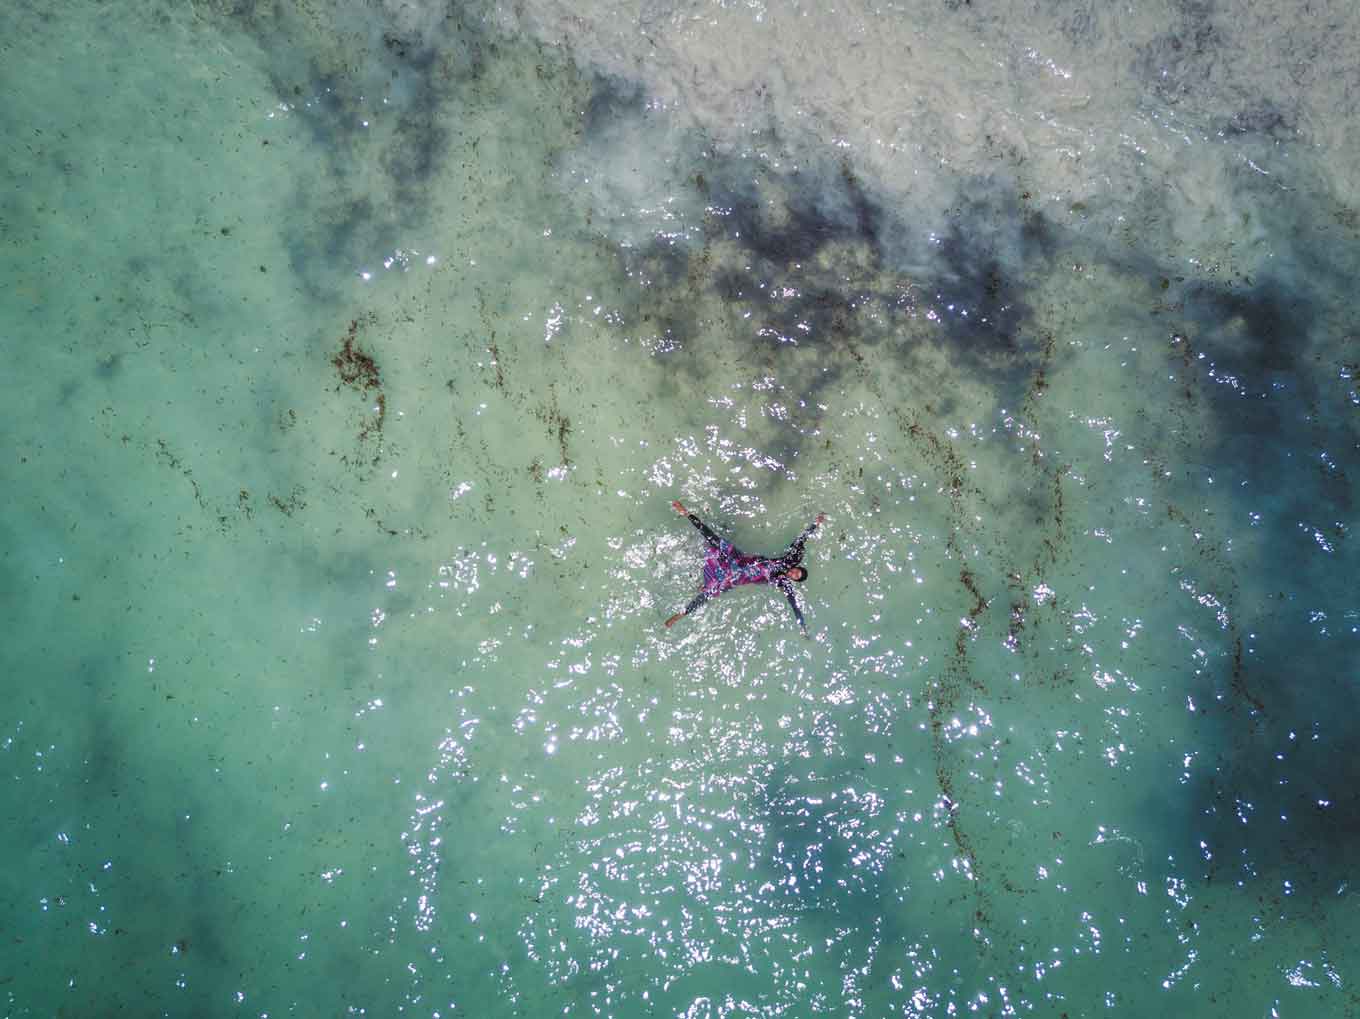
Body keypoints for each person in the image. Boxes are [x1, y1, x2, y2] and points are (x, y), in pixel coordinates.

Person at [664, 500, 826, 635]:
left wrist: (802, 625)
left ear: (793, 579)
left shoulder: (783, 582)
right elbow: (800, 541)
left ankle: (680, 615)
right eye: (796, 570)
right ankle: (686, 513)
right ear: (796, 567)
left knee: (708, 593)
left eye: (795, 576)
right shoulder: (788, 561)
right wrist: (815, 525)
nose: (793, 573)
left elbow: (793, 604)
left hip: (736, 577)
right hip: (739, 560)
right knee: (714, 539)